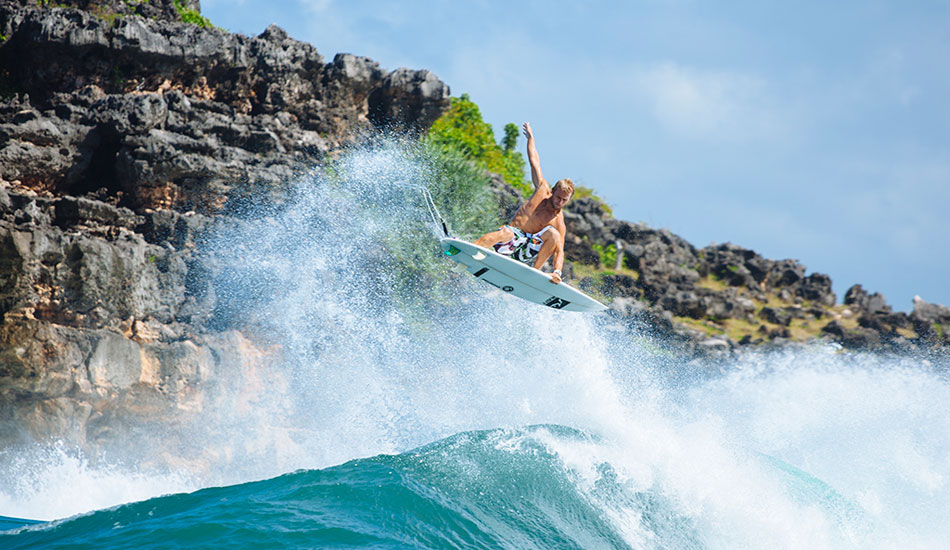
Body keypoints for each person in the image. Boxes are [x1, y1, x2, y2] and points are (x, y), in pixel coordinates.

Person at [474, 122, 573, 285]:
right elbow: (534, 161)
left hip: (527, 250)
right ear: (553, 191)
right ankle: (472, 250)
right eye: (558, 198)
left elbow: (559, 251)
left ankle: (534, 273)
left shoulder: (559, 222)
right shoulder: (542, 189)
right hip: (510, 240)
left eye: (564, 200)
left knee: (555, 235)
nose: (560, 202)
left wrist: (557, 271)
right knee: (506, 232)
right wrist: (530, 139)